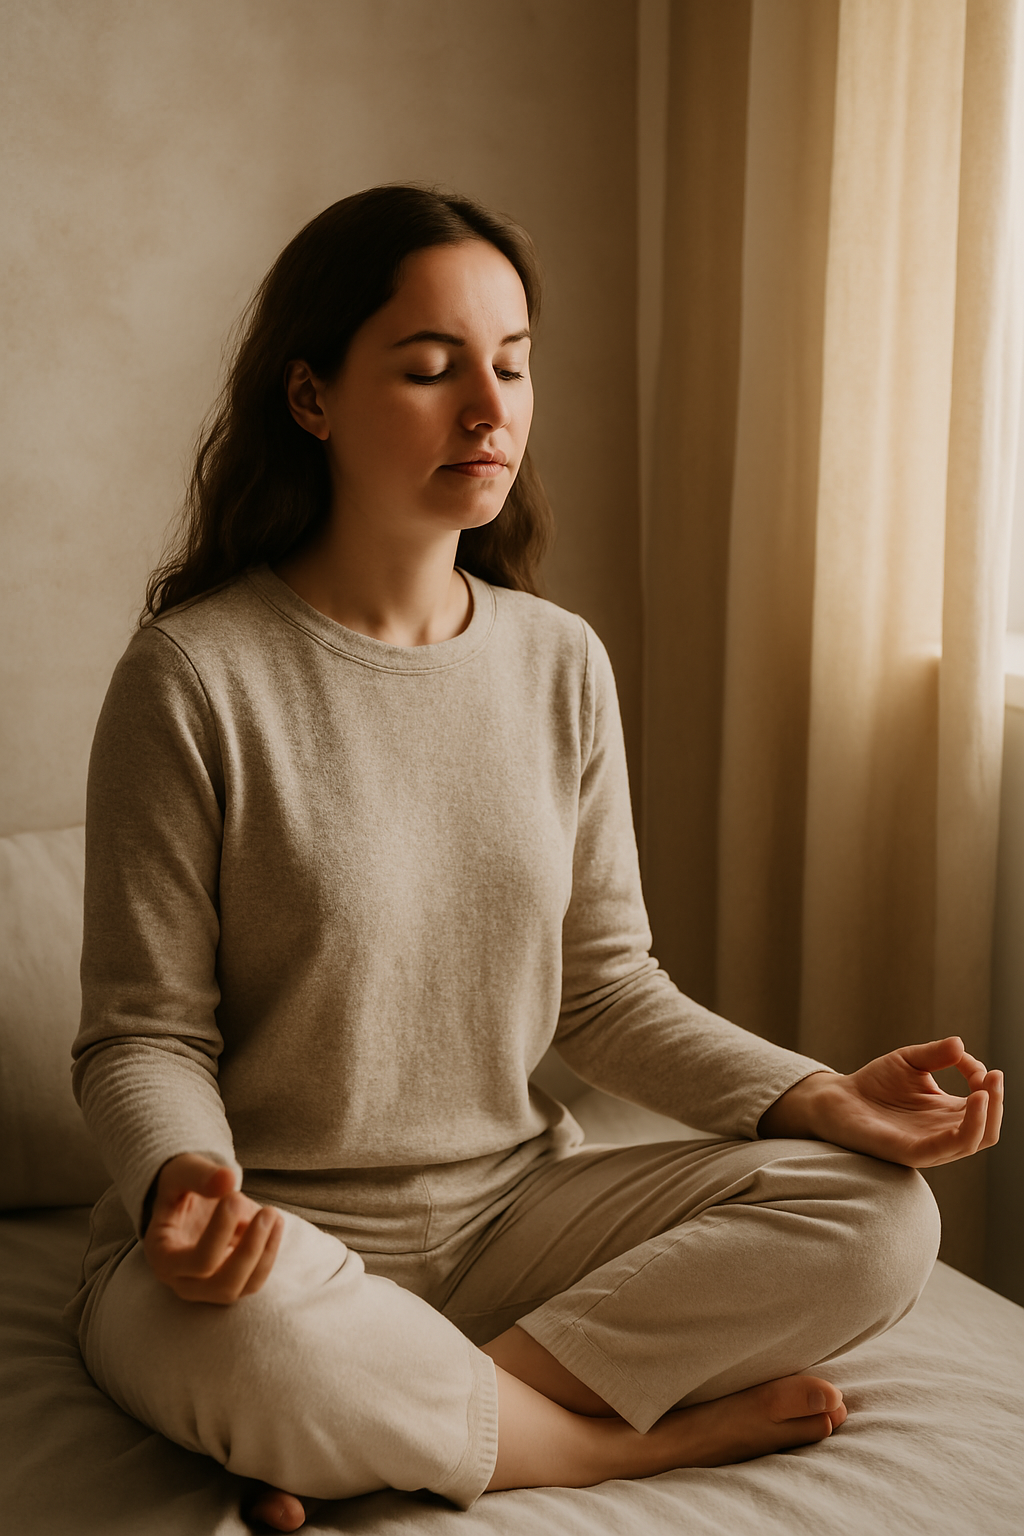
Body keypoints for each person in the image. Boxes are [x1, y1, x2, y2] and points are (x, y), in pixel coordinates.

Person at [66, 185, 1003, 1534]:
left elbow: (607, 989)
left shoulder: (559, 662)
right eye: (431, 369)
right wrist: (185, 1187)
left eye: (509, 366)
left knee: (881, 1216)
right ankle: (601, 1445)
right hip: (275, 1244)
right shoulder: (194, 676)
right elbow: (142, 1036)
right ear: (312, 397)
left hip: (514, 1219)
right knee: (261, 1349)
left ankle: (423, 1414)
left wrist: (814, 1097)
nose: (487, 411)